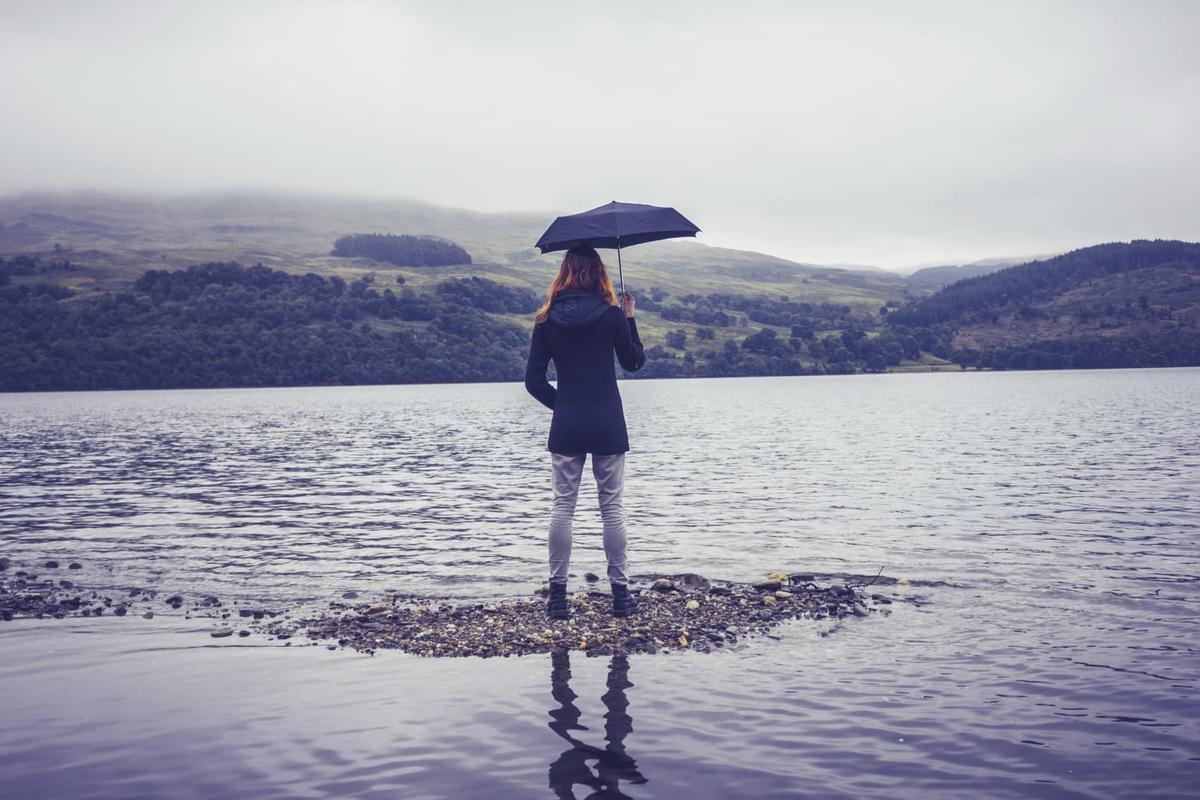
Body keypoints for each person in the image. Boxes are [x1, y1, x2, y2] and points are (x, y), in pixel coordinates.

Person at [524, 245, 646, 620]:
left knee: (563, 508)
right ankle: (621, 597)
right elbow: (634, 362)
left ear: (564, 273)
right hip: (607, 421)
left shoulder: (546, 321)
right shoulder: (610, 316)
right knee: (612, 509)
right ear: (598, 274)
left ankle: (558, 598)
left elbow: (534, 382)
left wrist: (562, 406)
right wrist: (628, 318)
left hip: (568, 424)